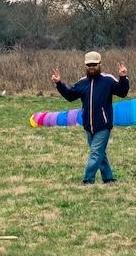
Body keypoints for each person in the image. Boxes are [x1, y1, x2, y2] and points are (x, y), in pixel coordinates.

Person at [52, 51, 129, 185]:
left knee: (95, 153)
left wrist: (123, 78)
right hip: (88, 126)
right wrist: (59, 84)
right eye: (89, 65)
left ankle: (88, 180)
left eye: (94, 64)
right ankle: (108, 178)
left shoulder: (108, 80)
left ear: (100, 64)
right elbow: (70, 96)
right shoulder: (82, 82)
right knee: (100, 153)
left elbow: (122, 92)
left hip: (103, 125)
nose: (91, 67)